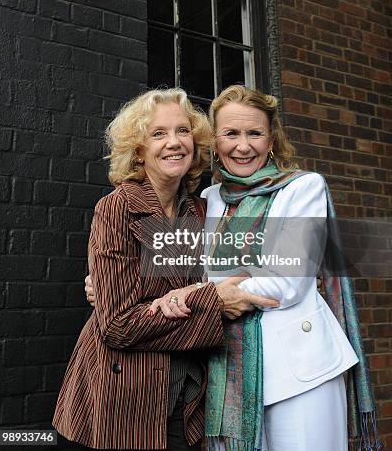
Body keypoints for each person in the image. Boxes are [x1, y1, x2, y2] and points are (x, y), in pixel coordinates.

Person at [149, 85, 379, 451]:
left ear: (271, 138)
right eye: (231, 134)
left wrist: (206, 294)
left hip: (302, 375)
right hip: (226, 371)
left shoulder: (301, 188)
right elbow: (177, 267)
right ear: (215, 143)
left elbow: (286, 280)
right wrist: (111, 277)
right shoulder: (209, 200)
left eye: (254, 133)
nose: (243, 146)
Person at [53, 87, 278, 450]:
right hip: (125, 396)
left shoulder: (201, 211)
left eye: (182, 131)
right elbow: (117, 325)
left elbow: (245, 270)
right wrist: (212, 303)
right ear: (139, 150)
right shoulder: (118, 208)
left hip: (186, 394)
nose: (174, 142)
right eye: (158, 134)